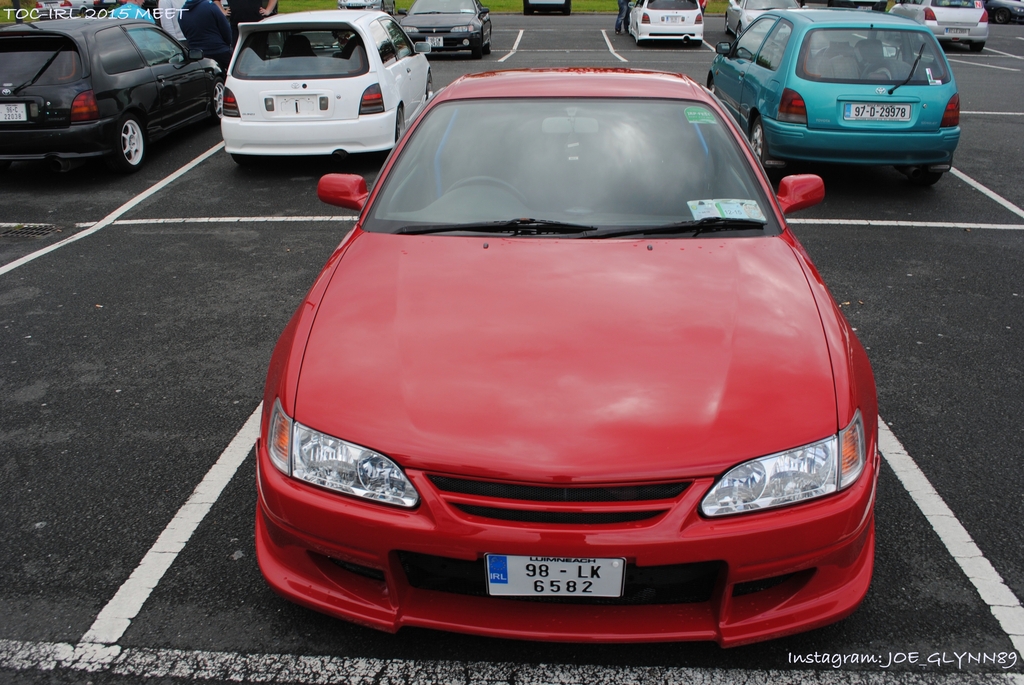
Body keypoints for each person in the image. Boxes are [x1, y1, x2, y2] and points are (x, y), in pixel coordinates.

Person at [179, 0, 233, 70]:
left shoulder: (182, 13)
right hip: (220, 51)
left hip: (197, 56)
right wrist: (227, 44)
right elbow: (226, 30)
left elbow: (186, 35)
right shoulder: (211, 6)